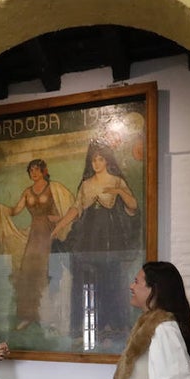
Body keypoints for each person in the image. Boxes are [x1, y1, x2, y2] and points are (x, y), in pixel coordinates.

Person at [52, 141, 140, 343]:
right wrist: (59, 226)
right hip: (89, 238)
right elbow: (76, 208)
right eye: (94, 159)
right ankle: (89, 329)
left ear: (107, 160)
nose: (97, 163)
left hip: (110, 237)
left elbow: (133, 206)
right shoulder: (86, 184)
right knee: (88, 280)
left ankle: (113, 327)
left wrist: (119, 192)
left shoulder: (117, 181)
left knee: (111, 279)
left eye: (100, 159)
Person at [0, 159, 75, 331]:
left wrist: (54, 219)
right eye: (31, 170)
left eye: (37, 169)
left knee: (49, 273)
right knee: (29, 273)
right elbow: (14, 211)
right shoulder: (27, 192)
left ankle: (50, 317)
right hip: (34, 235)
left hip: (51, 234)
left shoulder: (55, 188)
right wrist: (0, 206)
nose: (34, 173)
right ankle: (29, 316)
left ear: (44, 170)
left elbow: (71, 211)